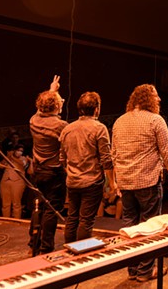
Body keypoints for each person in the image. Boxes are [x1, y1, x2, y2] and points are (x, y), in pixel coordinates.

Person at [112, 84, 168, 283]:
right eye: (156, 96)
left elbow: (114, 154)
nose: (159, 100)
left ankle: (132, 270)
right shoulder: (155, 120)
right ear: (148, 99)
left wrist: (116, 180)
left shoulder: (119, 121)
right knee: (149, 227)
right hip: (147, 181)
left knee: (129, 226)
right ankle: (145, 272)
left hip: (125, 181)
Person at [59, 92, 115, 243]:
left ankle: (69, 251)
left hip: (72, 181)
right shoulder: (99, 128)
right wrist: (112, 182)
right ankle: (81, 255)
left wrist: (72, 172)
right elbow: (106, 159)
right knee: (86, 221)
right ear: (97, 109)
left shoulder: (67, 129)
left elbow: (62, 159)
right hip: (92, 181)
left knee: (72, 218)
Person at [29, 75, 68, 254]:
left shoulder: (33, 120)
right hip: (54, 172)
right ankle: (46, 247)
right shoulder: (61, 126)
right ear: (57, 106)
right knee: (52, 209)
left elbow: (41, 110)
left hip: (38, 170)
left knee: (39, 206)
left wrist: (52, 90)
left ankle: (33, 243)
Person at [0, 144, 32, 218]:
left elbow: (22, 164)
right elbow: (0, 166)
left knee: (16, 203)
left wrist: (11, 157)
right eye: (18, 150)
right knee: (5, 204)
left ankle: (16, 220)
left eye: (21, 151)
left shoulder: (24, 158)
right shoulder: (8, 158)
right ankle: (6, 220)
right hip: (5, 181)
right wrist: (8, 157)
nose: (19, 152)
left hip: (18, 182)